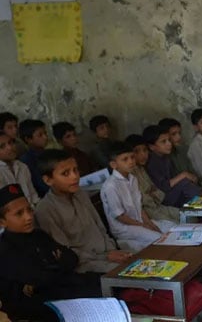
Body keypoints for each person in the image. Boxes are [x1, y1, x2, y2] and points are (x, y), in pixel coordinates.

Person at [0, 184, 102, 322]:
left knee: (101, 281)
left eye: (29, 210)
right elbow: (40, 278)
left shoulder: (38, 235)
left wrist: (53, 267)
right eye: (19, 213)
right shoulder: (5, 250)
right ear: (2, 222)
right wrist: (57, 262)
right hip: (36, 307)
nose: (28, 217)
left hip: (60, 288)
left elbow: (72, 258)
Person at [34, 149, 131, 273]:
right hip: (84, 264)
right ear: (48, 180)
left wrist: (112, 250)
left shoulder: (80, 193)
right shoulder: (45, 209)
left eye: (75, 170)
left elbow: (99, 226)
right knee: (128, 273)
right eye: (65, 173)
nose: (75, 176)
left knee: (142, 262)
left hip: (108, 253)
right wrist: (105, 257)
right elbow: (65, 252)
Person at [101, 142, 176, 252]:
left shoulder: (132, 178)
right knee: (160, 239)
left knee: (172, 227)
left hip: (139, 221)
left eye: (132, 157)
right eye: (125, 159)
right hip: (124, 228)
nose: (131, 161)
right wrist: (143, 226)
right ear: (113, 164)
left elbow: (138, 206)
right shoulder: (110, 186)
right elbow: (120, 216)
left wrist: (149, 224)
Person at [125, 134, 180, 223]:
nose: (143, 155)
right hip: (147, 212)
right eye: (136, 151)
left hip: (158, 206)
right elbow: (141, 199)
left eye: (145, 150)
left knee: (185, 215)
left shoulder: (142, 169)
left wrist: (152, 195)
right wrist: (151, 196)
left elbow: (155, 190)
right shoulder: (130, 174)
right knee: (174, 223)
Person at [144, 125, 201, 207]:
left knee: (188, 184)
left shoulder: (166, 157)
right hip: (162, 198)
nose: (169, 144)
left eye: (169, 140)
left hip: (174, 193)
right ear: (152, 147)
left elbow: (174, 178)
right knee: (185, 183)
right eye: (163, 141)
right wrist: (184, 175)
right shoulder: (151, 162)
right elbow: (164, 186)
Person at [0, 131, 40, 208]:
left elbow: (33, 196)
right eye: (2, 146)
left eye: (11, 142)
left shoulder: (22, 166)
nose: (10, 147)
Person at [18, 119, 51, 197]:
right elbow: (42, 185)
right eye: (40, 135)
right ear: (28, 139)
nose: (45, 137)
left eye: (45, 133)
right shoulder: (26, 161)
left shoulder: (49, 154)